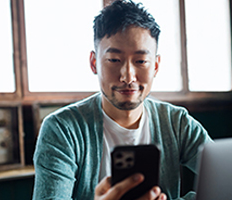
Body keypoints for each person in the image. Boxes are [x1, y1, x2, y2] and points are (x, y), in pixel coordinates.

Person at [32, 1, 213, 200]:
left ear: (156, 66)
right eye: (114, 60)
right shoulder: (62, 130)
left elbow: (223, 182)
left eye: (141, 61)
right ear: (94, 63)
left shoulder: (176, 122)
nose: (128, 76)